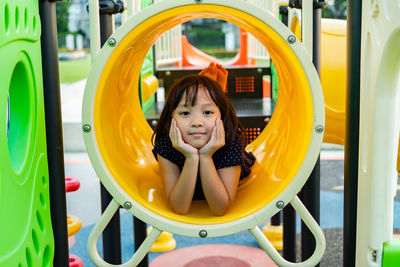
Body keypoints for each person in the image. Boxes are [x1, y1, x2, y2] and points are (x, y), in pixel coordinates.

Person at [152, 63, 255, 216]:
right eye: (185, 113)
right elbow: (179, 207)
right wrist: (191, 157)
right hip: (187, 174)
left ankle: (214, 94)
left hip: (221, 164)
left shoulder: (230, 140)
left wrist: (206, 156)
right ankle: (209, 96)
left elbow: (220, 208)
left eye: (207, 112)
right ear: (171, 117)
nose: (196, 122)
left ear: (222, 116)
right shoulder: (167, 141)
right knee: (203, 99)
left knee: (207, 100)